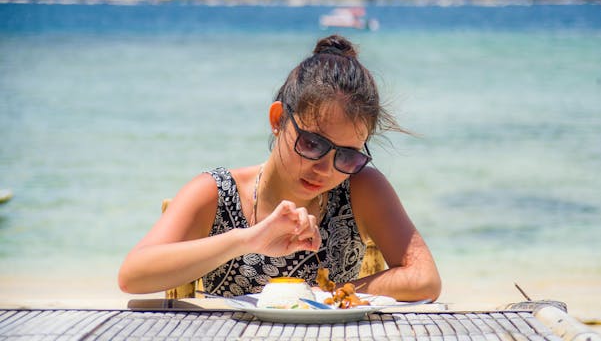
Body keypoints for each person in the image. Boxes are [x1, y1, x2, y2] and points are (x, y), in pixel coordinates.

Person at [118, 34, 441, 302]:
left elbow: (423, 278)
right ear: (278, 120)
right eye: (313, 144)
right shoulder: (217, 192)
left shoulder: (360, 186)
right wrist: (247, 240)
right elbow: (134, 276)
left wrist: (324, 295)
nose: (325, 170)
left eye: (347, 155)